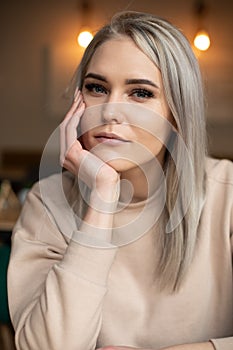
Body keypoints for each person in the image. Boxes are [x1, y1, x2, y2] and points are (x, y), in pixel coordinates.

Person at [7, 11, 233, 350]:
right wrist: (101, 201)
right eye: (97, 88)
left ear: (178, 110)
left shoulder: (227, 195)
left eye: (140, 93)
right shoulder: (48, 203)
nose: (110, 110)